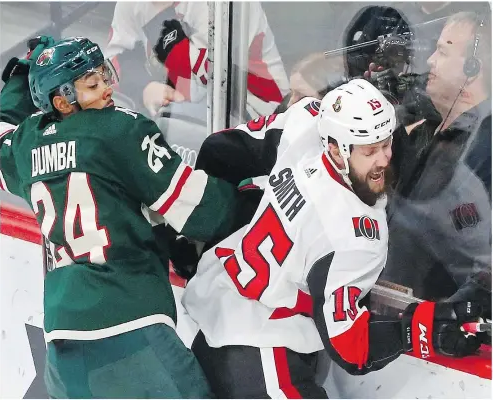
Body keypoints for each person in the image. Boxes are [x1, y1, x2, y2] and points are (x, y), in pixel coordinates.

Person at [181, 79, 483, 398]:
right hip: (259, 350)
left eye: (386, 142)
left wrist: (209, 228)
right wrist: (420, 326)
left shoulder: (306, 121)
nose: (382, 159)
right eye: (370, 150)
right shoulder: (351, 236)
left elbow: (219, 148)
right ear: (337, 149)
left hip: (212, 305)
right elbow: (351, 349)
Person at [0, 35, 245, 398]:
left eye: (104, 75)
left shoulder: (27, 143)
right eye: (92, 84)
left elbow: (3, 133)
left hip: (62, 341)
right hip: (130, 325)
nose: (106, 89)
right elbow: (202, 211)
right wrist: (252, 196)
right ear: (62, 102)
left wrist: (20, 78)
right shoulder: (120, 129)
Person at [381, 11, 492, 317]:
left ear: (473, 69)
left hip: (435, 328)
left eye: (443, 51)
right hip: (393, 312)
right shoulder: (427, 132)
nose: (429, 61)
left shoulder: (483, 150)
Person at [106, 1, 289, 118]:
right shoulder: (131, 4)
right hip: (180, 114)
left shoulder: (224, 5)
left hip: (256, 113)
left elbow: (193, 89)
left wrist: (159, 13)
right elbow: (112, 63)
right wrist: (145, 87)